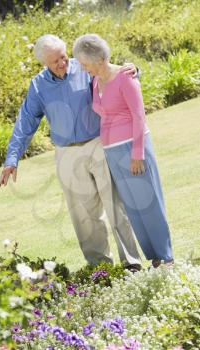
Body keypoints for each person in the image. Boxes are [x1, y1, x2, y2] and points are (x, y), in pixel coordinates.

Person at [0, 34, 142, 271]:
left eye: (63, 57)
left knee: (116, 205)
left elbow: (114, 75)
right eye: (55, 61)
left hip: (99, 143)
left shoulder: (85, 67)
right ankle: (100, 270)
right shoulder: (38, 86)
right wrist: (12, 158)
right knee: (84, 217)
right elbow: (25, 122)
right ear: (44, 63)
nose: (62, 63)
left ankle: (132, 263)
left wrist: (134, 69)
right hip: (67, 154)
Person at [73, 34, 174, 268]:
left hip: (133, 147)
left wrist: (137, 153)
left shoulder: (126, 78)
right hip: (112, 151)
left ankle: (167, 256)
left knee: (149, 203)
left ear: (98, 59)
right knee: (134, 207)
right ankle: (155, 258)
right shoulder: (95, 80)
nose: (82, 67)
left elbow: (139, 115)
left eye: (84, 63)